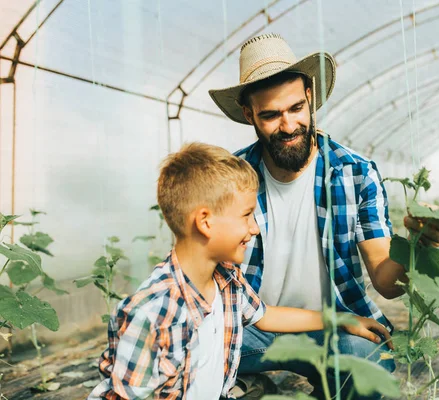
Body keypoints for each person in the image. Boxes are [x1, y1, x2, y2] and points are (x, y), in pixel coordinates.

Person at [208, 33, 439, 399]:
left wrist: (416, 246)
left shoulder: (355, 173)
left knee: (365, 362)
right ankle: (246, 381)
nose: (288, 126)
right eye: (271, 115)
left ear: (310, 98)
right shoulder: (232, 177)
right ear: (249, 115)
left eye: (295, 109)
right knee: (182, 345)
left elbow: (385, 280)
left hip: (337, 327)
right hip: (252, 328)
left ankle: (279, 383)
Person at [87, 143, 391, 400]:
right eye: (246, 215)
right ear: (205, 222)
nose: (254, 228)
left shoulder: (226, 281)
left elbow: (267, 316)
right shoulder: (154, 314)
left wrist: (339, 318)